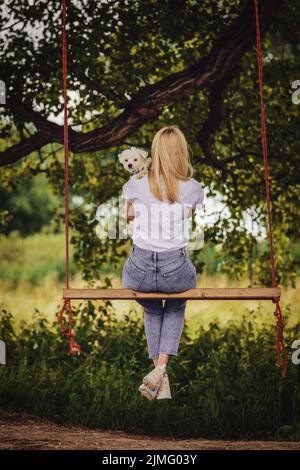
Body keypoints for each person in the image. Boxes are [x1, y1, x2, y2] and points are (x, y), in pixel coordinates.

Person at [121, 125, 204, 400]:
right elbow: (186, 214)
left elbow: (129, 216)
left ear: (153, 153)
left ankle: (159, 374)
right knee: (177, 302)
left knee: (152, 309)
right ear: (182, 153)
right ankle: (162, 368)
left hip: (139, 272)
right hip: (175, 270)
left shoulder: (135, 183)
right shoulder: (193, 188)